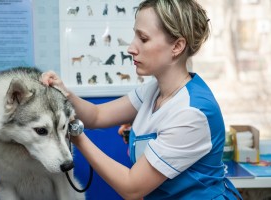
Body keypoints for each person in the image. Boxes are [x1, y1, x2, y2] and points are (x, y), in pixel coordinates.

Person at [42, 0, 242, 199]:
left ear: (177, 46)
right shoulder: (153, 91)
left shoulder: (192, 113)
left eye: (143, 39)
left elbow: (131, 187)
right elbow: (97, 115)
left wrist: (77, 136)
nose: (131, 48)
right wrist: (65, 93)